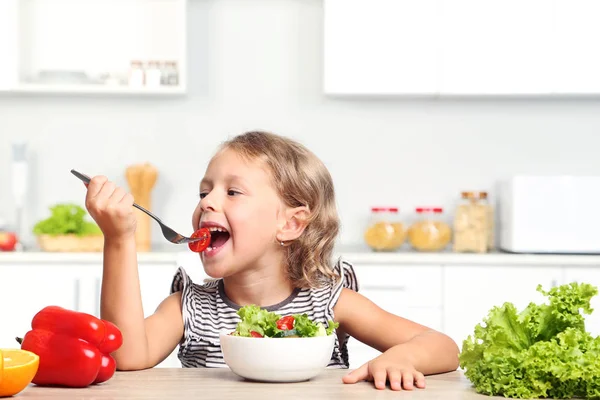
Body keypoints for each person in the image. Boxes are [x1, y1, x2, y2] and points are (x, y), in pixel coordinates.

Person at [83, 130, 459, 391]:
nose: (206, 203)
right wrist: (118, 239)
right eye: (204, 191)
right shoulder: (190, 308)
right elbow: (127, 356)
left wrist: (401, 359)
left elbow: (442, 347)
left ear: (290, 223)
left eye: (232, 192)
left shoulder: (328, 303)